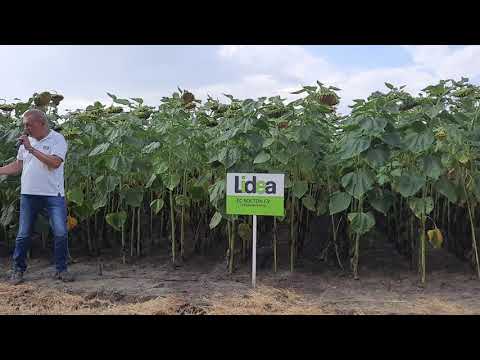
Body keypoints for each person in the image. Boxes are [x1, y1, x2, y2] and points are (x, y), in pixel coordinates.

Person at [0, 109, 74, 285]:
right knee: (23, 234)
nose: (25, 129)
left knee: (61, 233)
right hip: (28, 195)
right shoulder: (26, 143)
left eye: (29, 125)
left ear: (41, 123)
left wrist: (31, 149)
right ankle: (18, 270)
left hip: (53, 195)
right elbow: (18, 166)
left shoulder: (57, 139)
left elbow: (55, 163)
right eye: (24, 125)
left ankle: (61, 270)